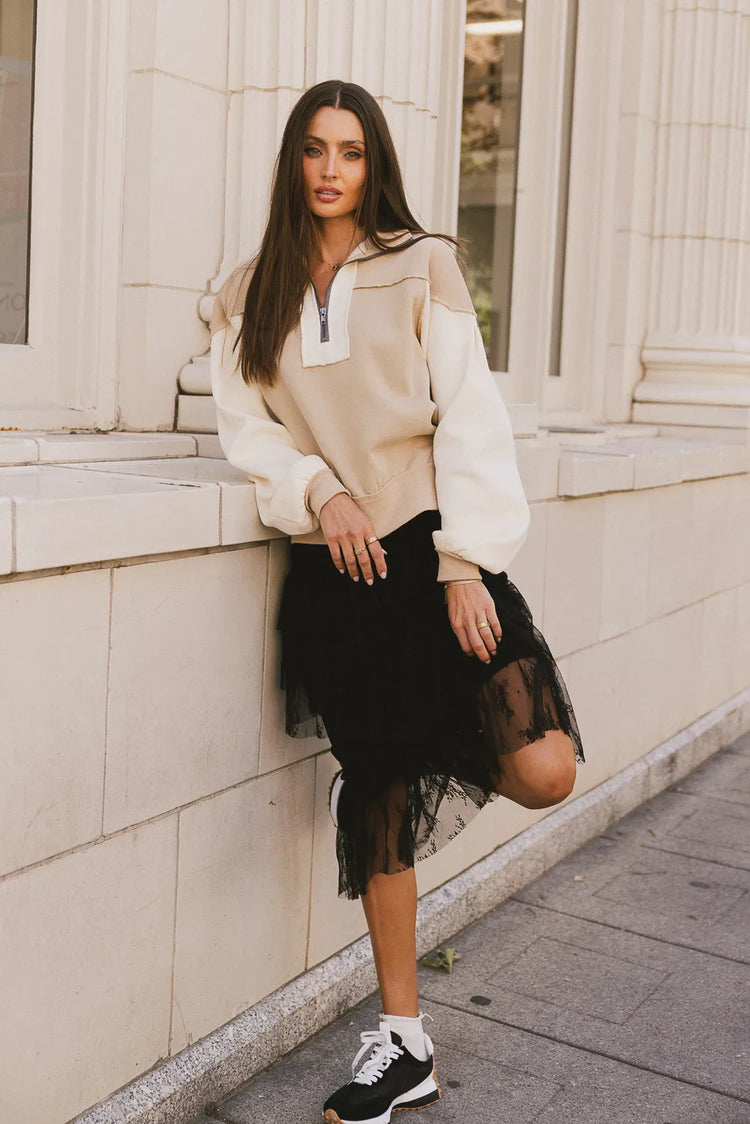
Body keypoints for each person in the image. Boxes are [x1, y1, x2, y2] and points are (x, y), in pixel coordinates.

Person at [209, 78, 584, 1124]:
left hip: (435, 559)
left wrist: (467, 561)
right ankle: (404, 1044)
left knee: (545, 766)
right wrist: (317, 490)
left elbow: (471, 418)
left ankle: (399, 755)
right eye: (316, 149)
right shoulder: (248, 294)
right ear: (293, 161)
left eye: (354, 151)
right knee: (383, 816)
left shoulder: (425, 265)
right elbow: (250, 434)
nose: (333, 169)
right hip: (341, 579)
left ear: (375, 163)